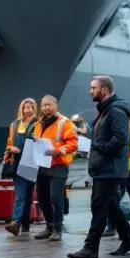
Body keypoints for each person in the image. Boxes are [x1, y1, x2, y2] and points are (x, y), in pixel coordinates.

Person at [68, 75, 130, 258]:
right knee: (110, 206)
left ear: (104, 89)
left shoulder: (115, 110)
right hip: (105, 168)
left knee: (99, 207)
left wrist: (100, 148)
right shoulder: (106, 110)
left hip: (110, 169)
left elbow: (121, 138)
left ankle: (90, 248)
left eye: (93, 88)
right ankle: (129, 240)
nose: (90, 91)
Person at [31, 95, 78, 241]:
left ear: (56, 105)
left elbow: (73, 143)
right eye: (44, 105)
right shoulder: (38, 123)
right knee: (42, 197)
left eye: (49, 105)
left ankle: (58, 228)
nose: (46, 108)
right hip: (43, 165)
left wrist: (58, 150)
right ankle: (49, 226)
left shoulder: (64, 122)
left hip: (59, 164)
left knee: (55, 196)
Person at [3, 98, 38, 237]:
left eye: (31, 107)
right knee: (20, 195)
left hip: (32, 163)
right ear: (21, 109)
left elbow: (38, 143)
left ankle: (25, 225)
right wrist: (9, 150)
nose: (28, 110)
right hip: (17, 163)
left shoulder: (38, 124)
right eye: (25, 107)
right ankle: (16, 222)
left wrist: (21, 149)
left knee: (28, 196)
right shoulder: (14, 124)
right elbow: (9, 142)